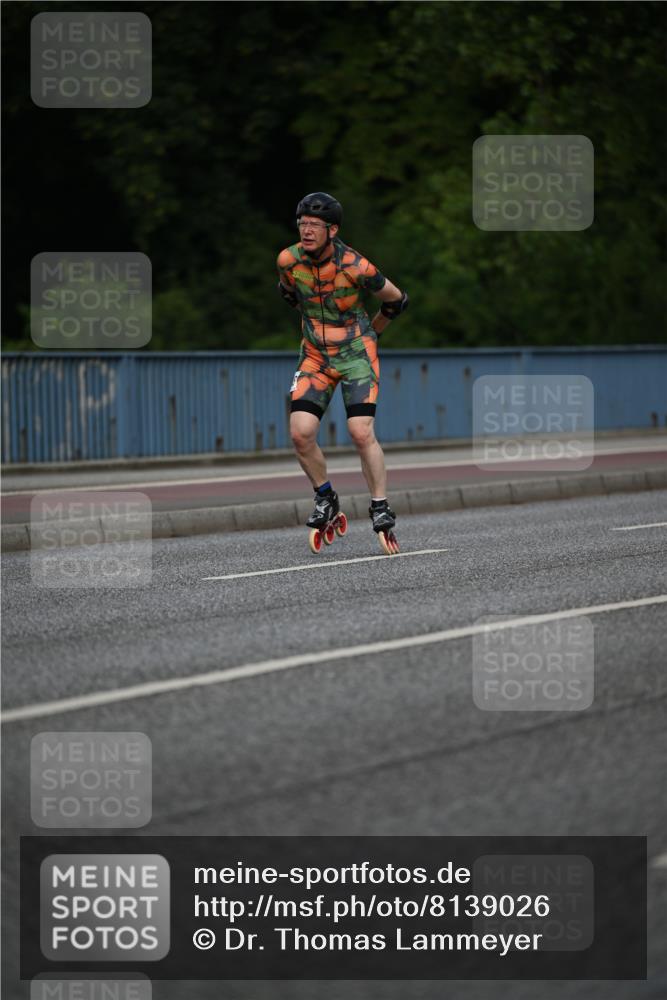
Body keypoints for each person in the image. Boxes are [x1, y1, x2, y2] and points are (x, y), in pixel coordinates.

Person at [277, 191, 408, 539]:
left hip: (356, 355)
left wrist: (373, 333)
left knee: (360, 432)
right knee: (300, 433)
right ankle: (326, 497)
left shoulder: (355, 265)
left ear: (332, 230)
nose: (306, 231)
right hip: (315, 357)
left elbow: (397, 300)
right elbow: (288, 294)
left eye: (314, 225)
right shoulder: (288, 260)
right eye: (302, 223)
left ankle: (380, 504)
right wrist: (316, 328)